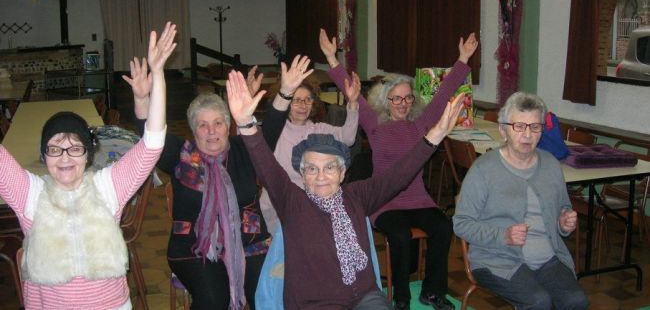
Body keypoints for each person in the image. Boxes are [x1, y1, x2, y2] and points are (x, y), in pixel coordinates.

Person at [226, 69, 465, 310]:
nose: (321, 176)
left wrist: (434, 136)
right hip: (316, 304)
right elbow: (265, 165)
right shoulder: (292, 202)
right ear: (302, 174)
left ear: (342, 174)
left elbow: (398, 175)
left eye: (329, 167)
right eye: (311, 169)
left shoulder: (356, 196)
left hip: (365, 297)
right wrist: (246, 124)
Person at [0, 22, 175, 309]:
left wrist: (158, 74)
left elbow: (153, 143)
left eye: (75, 148)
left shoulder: (108, 187)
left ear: (87, 155)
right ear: (44, 157)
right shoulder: (29, 194)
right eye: (55, 149)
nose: (65, 157)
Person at [127, 53, 313, 309]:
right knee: (214, 300)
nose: (211, 131)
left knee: (270, 295)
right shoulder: (183, 156)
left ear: (229, 125)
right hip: (193, 248)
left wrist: (286, 91)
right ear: (193, 130)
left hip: (250, 242)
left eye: (218, 123)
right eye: (203, 125)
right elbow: (151, 135)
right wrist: (142, 98)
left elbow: (270, 126)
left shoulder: (245, 149)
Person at [319, 29, 478, 310]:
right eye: (396, 99)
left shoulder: (421, 124)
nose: (403, 104)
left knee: (443, 227)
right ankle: (401, 298)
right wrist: (332, 59)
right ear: (385, 101)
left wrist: (463, 58)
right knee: (401, 235)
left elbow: (443, 95)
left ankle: (433, 292)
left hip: (418, 199)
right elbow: (350, 89)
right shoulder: (375, 124)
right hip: (385, 201)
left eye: (407, 98)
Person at [453, 91, 589, 309]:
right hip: (497, 259)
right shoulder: (483, 170)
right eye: (519, 126)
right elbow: (461, 224)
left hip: (548, 258)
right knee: (538, 301)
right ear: (503, 130)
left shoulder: (551, 165)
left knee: (576, 301)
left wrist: (563, 223)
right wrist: (503, 236)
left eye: (535, 127)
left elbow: (563, 208)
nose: (527, 134)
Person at [259, 72, 361, 236]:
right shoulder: (274, 131)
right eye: (297, 100)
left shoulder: (319, 129)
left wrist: (353, 102)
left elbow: (348, 138)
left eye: (307, 100)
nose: (303, 105)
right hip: (279, 202)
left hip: (313, 201)